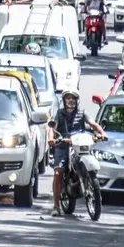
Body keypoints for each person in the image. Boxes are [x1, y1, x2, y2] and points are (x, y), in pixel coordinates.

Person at [48, 90, 107, 218]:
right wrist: (51, 139)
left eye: (73, 98)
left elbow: (93, 124)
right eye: (68, 98)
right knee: (59, 172)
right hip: (63, 145)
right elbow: (52, 128)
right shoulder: (59, 113)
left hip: (80, 144)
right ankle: (56, 206)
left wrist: (102, 133)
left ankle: (88, 181)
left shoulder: (82, 112)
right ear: (64, 100)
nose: (71, 101)